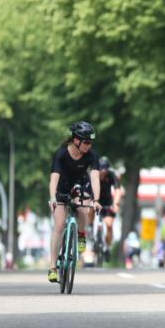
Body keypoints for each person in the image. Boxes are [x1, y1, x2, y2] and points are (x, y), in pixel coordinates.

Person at [47, 121, 101, 283]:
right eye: (86, 142)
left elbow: (95, 178)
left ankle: (82, 235)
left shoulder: (91, 155)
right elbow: (53, 179)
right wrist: (53, 198)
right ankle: (52, 267)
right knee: (59, 225)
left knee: (83, 208)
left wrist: (96, 200)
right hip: (61, 187)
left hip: (79, 185)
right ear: (76, 140)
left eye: (91, 143)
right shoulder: (61, 154)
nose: (89, 146)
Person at [96, 156, 123, 259]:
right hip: (95, 200)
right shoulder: (93, 175)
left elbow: (117, 190)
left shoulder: (112, 175)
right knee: (88, 209)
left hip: (107, 202)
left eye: (105, 169)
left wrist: (116, 204)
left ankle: (107, 247)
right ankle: (90, 227)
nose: (103, 171)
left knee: (109, 224)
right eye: (101, 168)